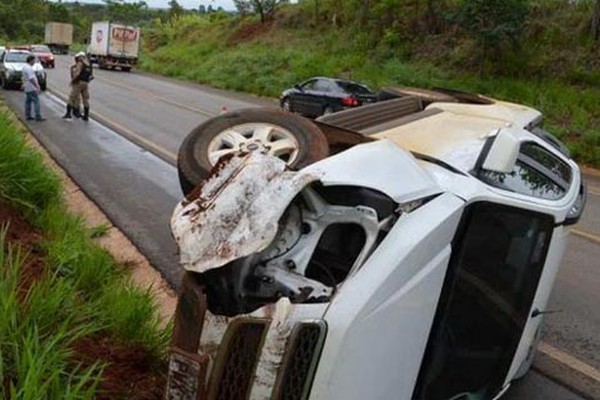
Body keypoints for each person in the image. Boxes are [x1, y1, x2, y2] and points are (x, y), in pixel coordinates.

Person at [62, 52, 93, 121]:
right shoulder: (89, 64)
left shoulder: (80, 63)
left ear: (80, 57)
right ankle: (86, 116)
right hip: (86, 83)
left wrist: (72, 81)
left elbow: (77, 74)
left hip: (79, 83)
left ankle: (68, 113)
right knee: (85, 99)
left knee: (71, 97)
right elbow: (91, 76)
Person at [22, 55, 45, 121]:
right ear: (31, 60)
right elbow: (31, 78)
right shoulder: (29, 68)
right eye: (34, 60)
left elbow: (23, 77)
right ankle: (37, 116)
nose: (34, 62)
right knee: (36, 102)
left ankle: (28, 115)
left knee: (28, 102)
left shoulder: (24, 67)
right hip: (31, 87)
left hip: (27, 87)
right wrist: (37, 86)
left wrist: (23, 84)